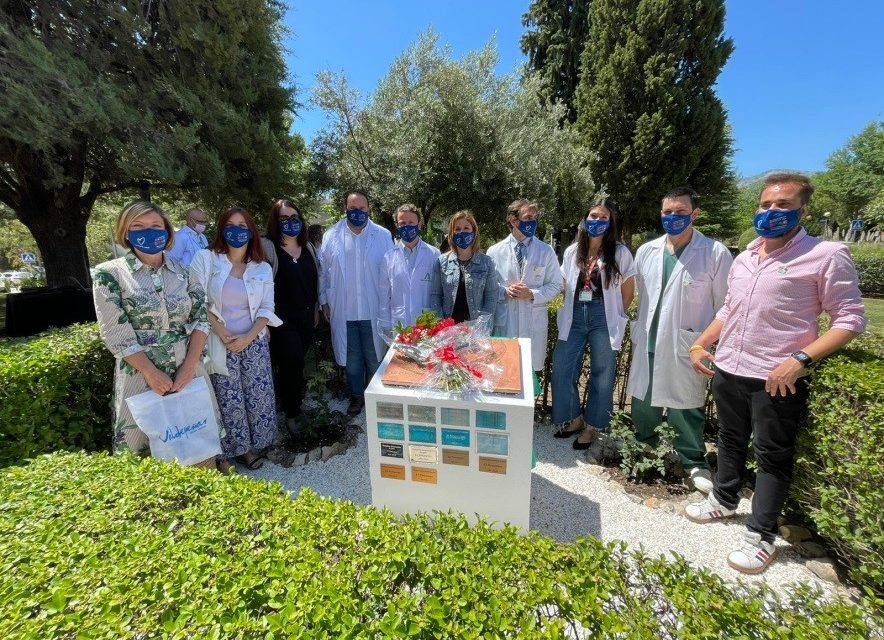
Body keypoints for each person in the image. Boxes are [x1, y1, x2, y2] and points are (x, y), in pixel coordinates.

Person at [685, 173, 866, 574]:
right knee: (729, 440)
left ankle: (761, 536)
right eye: (765, 204)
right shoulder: (746, 257)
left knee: (772, 457)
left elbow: (850, 319)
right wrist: (701, 343)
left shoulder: (825, 254)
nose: (771, 212)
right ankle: (723, 500)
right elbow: (729, 309)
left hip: (776, 377)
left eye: (783, 205)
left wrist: (801, 359)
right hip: (729, 368)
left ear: (804, 210)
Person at [626, 187, 733, 493]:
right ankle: (644, 448)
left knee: (686, 406)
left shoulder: (714, 253)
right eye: (667, 212)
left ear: (694, 214)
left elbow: (725, 304)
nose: (672, 217)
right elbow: (645, 296)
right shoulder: (647, 250)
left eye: (680, 212)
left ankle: (693, 461)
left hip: (688, 343)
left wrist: (709, 342)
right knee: (643, 402)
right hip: (649, 340)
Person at [92, 201, 217, 460]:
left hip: (188, 369)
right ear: (125, 232)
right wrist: (150, 372)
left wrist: (189, 367)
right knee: (144, 450)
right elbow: (115, 332)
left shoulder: (184, 272)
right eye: (138, 226)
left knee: (196, 440)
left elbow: (200, 320)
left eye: (155, 226)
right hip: (139, 374)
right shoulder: (110, 274)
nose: (148, 232)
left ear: (167, 231)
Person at [190, 207, 280, 470]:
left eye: (243, 226)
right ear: (221, 229)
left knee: (257, 396)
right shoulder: (206, 259)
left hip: (253, 342)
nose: (237, 231)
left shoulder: (261, 267)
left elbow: (267, 308)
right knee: (229, 400)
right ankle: (236, 451)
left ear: (251, 231)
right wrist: (221, 332)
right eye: (230, 225)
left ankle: (257, 444)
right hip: (220, 343)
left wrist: (248, 338)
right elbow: (196, 300)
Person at [550, 198, 635, 458]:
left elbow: (628, 290)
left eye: (603, 217)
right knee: (562, 366)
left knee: (602, 372)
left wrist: (615, 315)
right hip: (575, 312)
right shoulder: (572, 251)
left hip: (603, 315)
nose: (597, 221)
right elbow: (563, 283)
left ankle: (592, 427)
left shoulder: (619, 252)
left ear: (610, 222)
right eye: (593, 216)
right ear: (585, 220)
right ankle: (574, 418)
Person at [319, 191, 394, 416]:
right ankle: (356, 397)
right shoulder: (331, 236)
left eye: (362, 208)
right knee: (352, 361)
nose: (358, 212)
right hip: (344, 308)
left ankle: (376, 398)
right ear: (345, 208)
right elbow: (323, 273)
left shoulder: (383, 235)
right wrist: (324, 302)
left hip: (374, 308)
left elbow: (391, 271)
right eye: (353, 208)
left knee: (374, 357)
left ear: (369, 209)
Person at [260, 199, 320, 433]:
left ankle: (292, 401)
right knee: (291, 363)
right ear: (275, 222)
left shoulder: (308, 247)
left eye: (294, 217)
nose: (290, 222)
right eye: (283, 218)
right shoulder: (268, 247)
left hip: (306, 316)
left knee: (298, 363)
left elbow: (314, 281)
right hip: (281, 319)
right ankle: (292, 415)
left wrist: (315, 309)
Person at [487, 199, 561, 374]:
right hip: (506, 323)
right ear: (513, 220)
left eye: (535, 217)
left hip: (533, 323)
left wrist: (532, 294)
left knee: (529, 376)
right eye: (528, 217)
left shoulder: (545, 251)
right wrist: (504, 292)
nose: (533, 222)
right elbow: (488, 287)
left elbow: (556, 285)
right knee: (505, 374)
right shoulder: (494, 251)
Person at [378, 203, 440, 331]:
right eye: (402, 223)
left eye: (411, 222)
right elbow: (384, 295)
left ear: (419, 224)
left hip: (427, 324)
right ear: (397, 225)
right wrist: (385, 325)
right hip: (399, 324)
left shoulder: (434, 254)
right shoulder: (389, 257)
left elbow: (439, 292)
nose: (407, 226)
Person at [430, 210, 497, 323]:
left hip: (476, 327)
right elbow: (435, 296)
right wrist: (442, 324)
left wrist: (481, 326)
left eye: (466, 228)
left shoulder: (486, 262)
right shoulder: (441, 262)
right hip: (448, 328)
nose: (462, 232)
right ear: (452, 234)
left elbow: (491, 298)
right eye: (457, 229)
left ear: (473, 231)